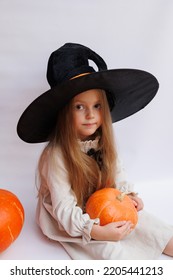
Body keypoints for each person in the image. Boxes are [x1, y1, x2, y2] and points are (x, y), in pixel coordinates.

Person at [17, 42, 173, 259]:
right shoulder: (55, 156)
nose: (90, 115)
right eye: (80, 107)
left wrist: (128, 196)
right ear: (64, 113)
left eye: (97, 106)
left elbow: (117, 172)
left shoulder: (102, 142)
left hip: (103, 201)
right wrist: (96, 231)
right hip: (72, 216)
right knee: (109, 251)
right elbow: (65, 209)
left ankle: (166, 241)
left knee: (148, 225)